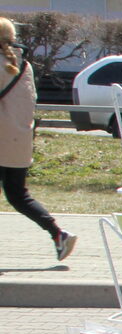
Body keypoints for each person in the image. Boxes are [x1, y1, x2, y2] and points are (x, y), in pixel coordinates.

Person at [0, 18, 75, 262]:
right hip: (19, 141)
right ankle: (58, 233)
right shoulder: (25, 65)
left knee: (17, 195)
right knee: (18, 196)